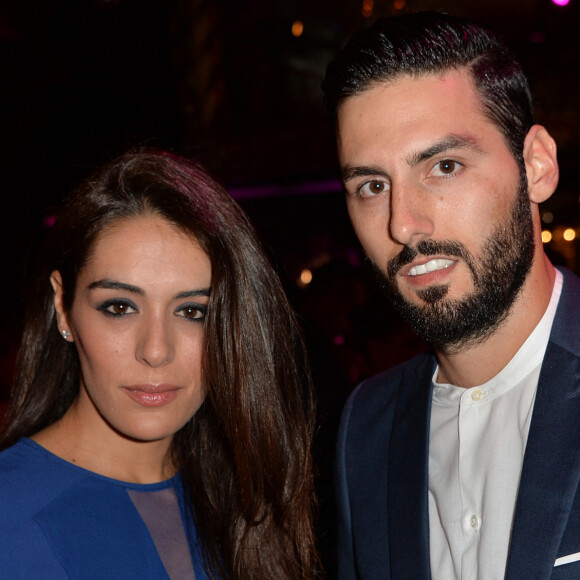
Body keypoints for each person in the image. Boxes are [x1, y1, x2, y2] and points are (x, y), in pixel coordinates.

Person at [322, 11, 580, 580]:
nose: (404, 224)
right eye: (371, 185)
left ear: (535, 165)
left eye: (444, 166)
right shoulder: (365, 426)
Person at [0, 150, 319, 579]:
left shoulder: (247, 498)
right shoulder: (11, 514)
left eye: (192, 313)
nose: (155, 350)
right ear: (63, 307)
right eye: (119, 306)